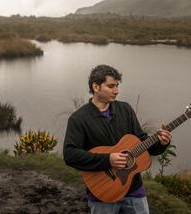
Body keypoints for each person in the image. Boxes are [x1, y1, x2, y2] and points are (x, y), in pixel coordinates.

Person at [63, 64, 172, 214]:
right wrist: (108, 160)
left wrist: (161, 143)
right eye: (111, 86)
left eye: (117, 86)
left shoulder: (125, 109)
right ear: (96, 87)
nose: (116, 91)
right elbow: (70, 154)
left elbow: (141, 141)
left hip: (134, 191)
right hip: (103, 193)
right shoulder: (78, 119)